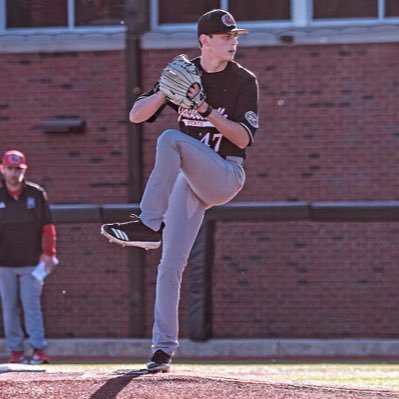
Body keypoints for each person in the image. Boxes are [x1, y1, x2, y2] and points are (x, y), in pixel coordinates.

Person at [101, 9, 259, 372]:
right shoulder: (185, 72)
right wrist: (163, 94)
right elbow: (136, 116)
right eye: (226, 37)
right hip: (188, 181)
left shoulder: (242, 80)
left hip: (224, 174)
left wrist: (203, 107)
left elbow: (243, 137)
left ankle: (148, 224)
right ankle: (162, 350)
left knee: (172, 138)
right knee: (170, 266)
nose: (233, 42)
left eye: (235, 36)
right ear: (205, 41)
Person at [0, 150, 58, 364]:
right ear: (2, 169)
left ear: (24, 170)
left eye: (18, 169)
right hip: (3, 263)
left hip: (32, 262)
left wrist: (50, 253)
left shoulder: (35, 193)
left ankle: (38, 350)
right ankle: (16, 351)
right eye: (10, 169)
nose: (14, 174)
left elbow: (48, 226)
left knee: (31, 306)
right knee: (9, 308)